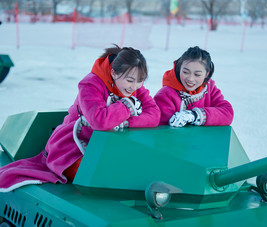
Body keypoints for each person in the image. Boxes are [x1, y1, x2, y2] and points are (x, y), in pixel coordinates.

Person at [0, 45, 160, 192]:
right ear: (114, 73)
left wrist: (125, 122)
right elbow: (99, 121)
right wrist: (126, 106)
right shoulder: (90, 85)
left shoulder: (133, 86)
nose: (134, 87)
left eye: (140, 81)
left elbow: (154, 115)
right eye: (130, 81)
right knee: (99, 175)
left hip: (106, 146)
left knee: (135, 171)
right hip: (72, 147)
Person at [154, 46, 233, 127]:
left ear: (207, 74)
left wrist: (195, 115)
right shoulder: (166, 95)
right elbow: (162, 131)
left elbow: (227, 113)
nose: (190, 79)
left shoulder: (209, 88)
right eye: (185, 72)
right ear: (179, 68)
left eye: (197, 74)